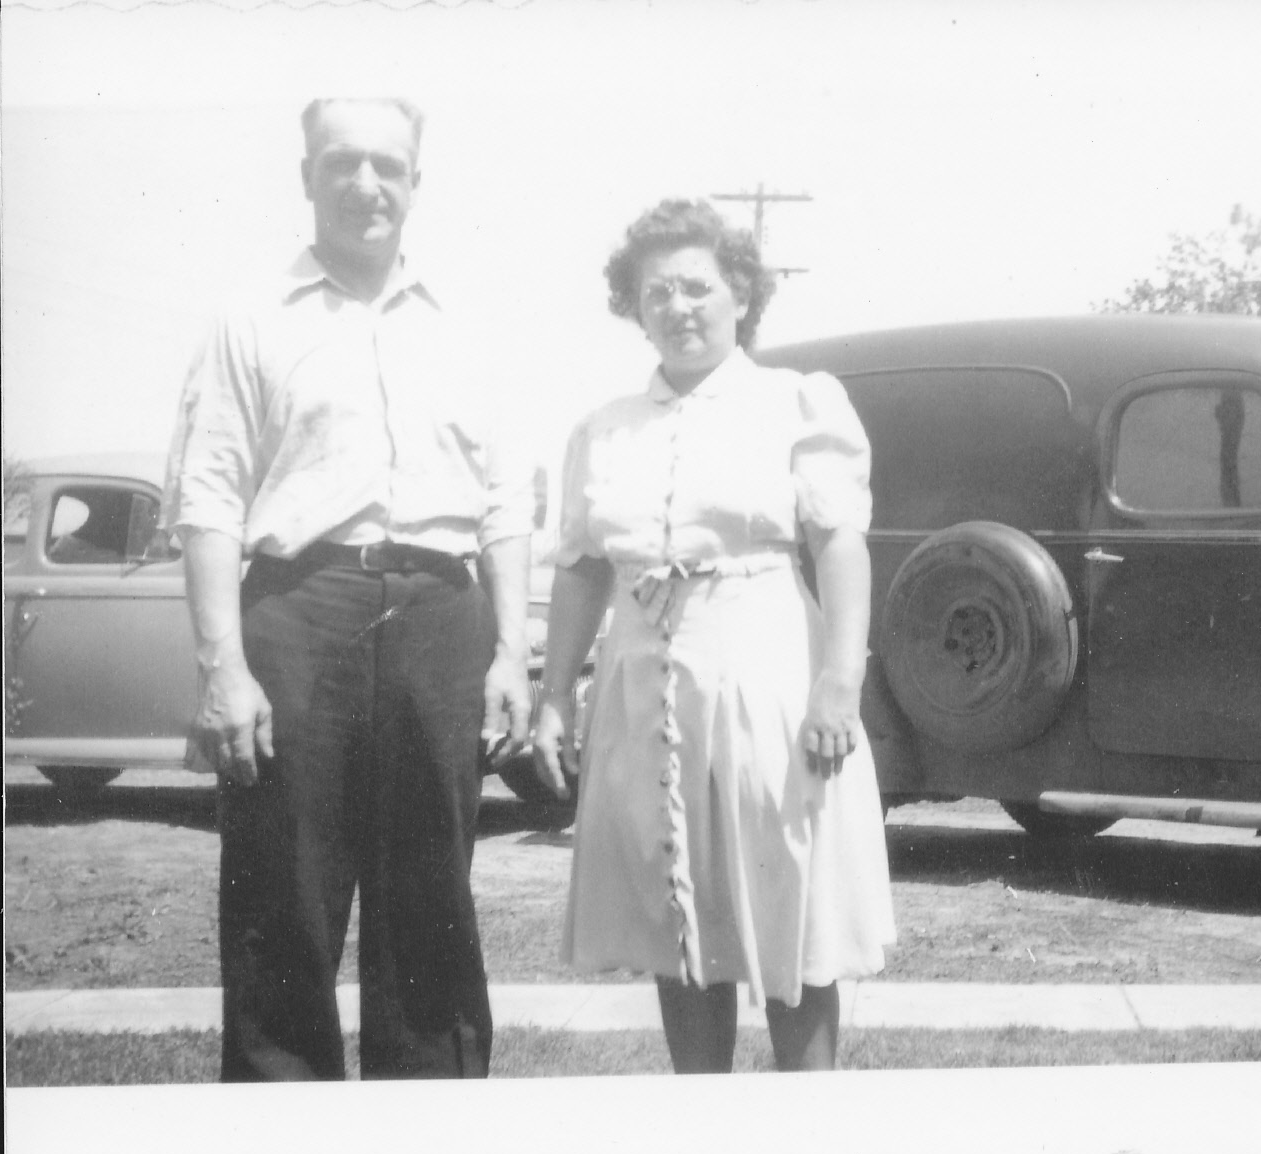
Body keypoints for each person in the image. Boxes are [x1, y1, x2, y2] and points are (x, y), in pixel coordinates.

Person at [161, 97, 534, 1081]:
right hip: (300, 609)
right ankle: (285, 1125)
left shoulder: (470, 323)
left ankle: (429, 1128)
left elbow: (505, 504)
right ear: (307, 177)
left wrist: (510, 652)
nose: (366, 184)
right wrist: (222, 666)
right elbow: (209, 497)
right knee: (283, 889)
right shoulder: (250, 317)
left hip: (441, 613)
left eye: (388, 166)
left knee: (433, 896)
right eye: (343, 163)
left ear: (416, 183)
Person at [532, 198, 894, 1072]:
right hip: (643, 684)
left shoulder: (796, 402)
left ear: (740, 294)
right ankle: (705, 1123)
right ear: (634, 307)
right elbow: (580, 568)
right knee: (676, 906)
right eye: (656, 292)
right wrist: (555, 697)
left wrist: (839, 681)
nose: (678, 307)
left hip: (766, 668)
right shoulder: (603, 427)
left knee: (787, 900)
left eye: (697, 287)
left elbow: (838, 544)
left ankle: (807, 1127)